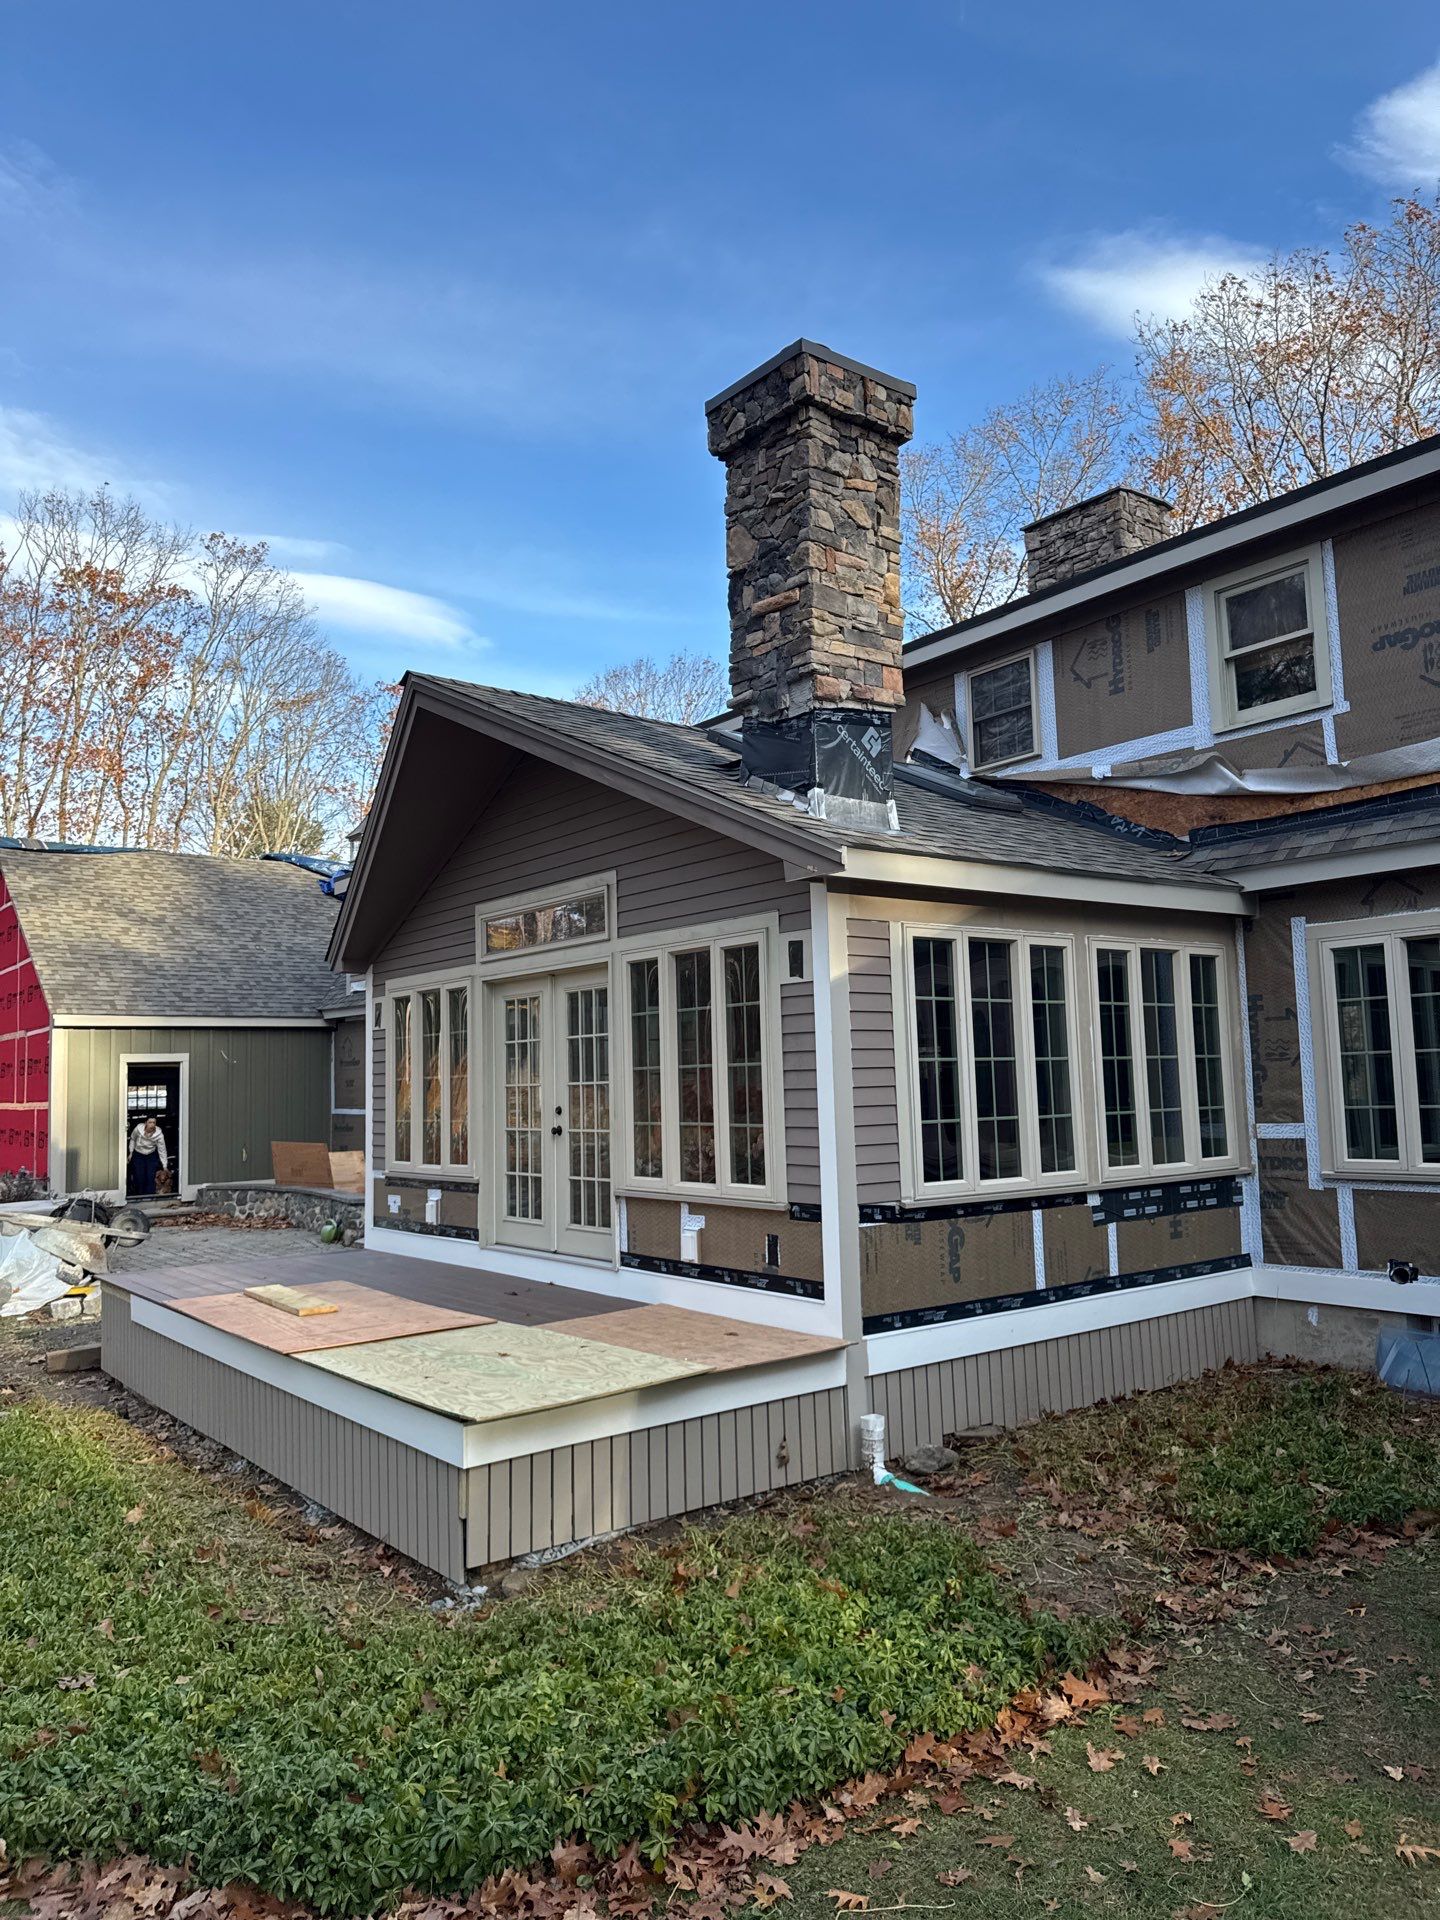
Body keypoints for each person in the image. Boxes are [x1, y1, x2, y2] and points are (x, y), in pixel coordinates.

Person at [127, 1115, 168, 1197]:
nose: (152, 1124)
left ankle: (150, 1196)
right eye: (150, 1122)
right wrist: (131, 1152)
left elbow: (162, 1150)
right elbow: (132, 1139)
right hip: (138, 1154)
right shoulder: (138, 1129)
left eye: (154, 1122)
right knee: (139, 1176)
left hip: (151, 1155)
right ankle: (139, 1196)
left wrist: (164, 1165)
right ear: (145, 1123)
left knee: (150, 1176)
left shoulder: (159, 1134)